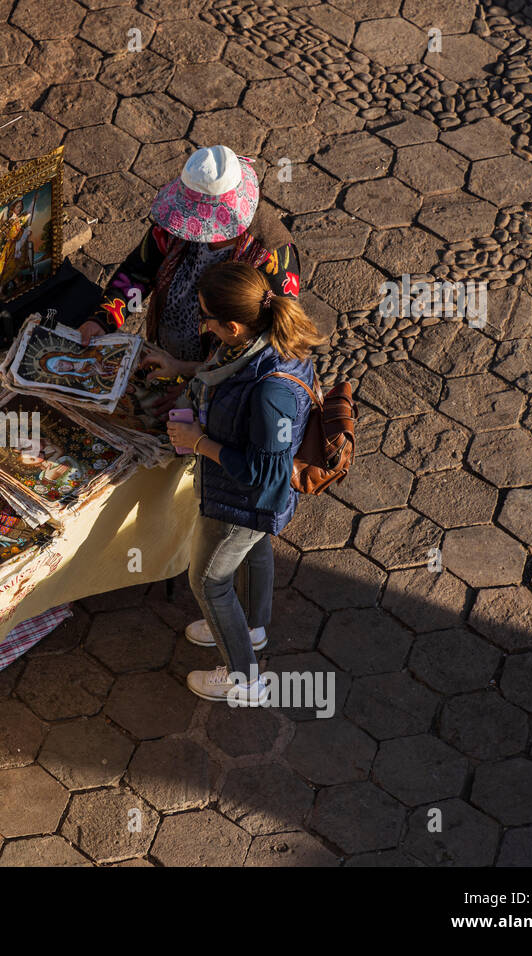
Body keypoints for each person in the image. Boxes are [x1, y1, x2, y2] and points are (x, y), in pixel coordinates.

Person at [145, 262, 324, 706]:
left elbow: (265, 475)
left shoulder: (270, 394)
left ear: (232, 324)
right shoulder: (264, 343)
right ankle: (252, 629)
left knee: (208, 581)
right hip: (255, 510)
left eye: (206, 317)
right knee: (256, 550)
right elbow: (219, 376)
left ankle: (244, 679)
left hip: (243, 501)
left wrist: (198, 441)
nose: (201, 323)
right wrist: (178, 366)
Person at [79, 144, 301, 416]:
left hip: (222, 381)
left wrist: (195, 386)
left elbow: (265, 351)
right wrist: (103, 319)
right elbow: (139, 272)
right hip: (167, 355)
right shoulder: (174, 228)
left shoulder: (272, 254)